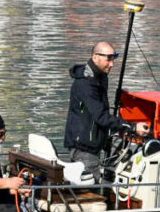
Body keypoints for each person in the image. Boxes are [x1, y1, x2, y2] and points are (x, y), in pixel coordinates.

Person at [63, 41, 150, 183]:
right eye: (108, 59)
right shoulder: (86, 83)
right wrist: (133, 127)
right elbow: (101, 116)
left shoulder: (101, 77)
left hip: (93, 143)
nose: (112, 64)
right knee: (92, 188)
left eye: (113, 58)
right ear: (95, 56)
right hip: (85, 148)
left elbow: (99, 112)